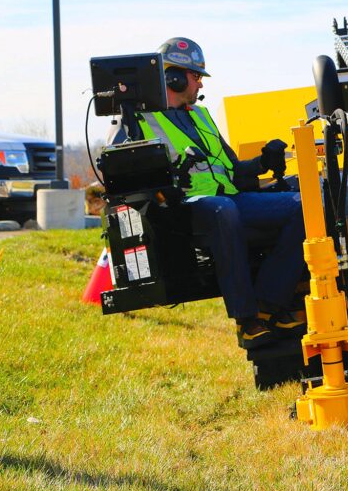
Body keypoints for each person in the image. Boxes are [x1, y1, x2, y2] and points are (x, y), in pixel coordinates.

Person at [112, 37, 306, 350]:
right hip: (184, 210)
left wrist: (263, 162)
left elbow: (232, 171)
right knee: (223, 210)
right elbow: (122, 173)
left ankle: (270, 302)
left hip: (228, 202)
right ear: (172, 77)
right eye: (195, 76)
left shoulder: (201, 116)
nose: (200, 83)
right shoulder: (138, 122)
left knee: (305, 205)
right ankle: (247, 320)